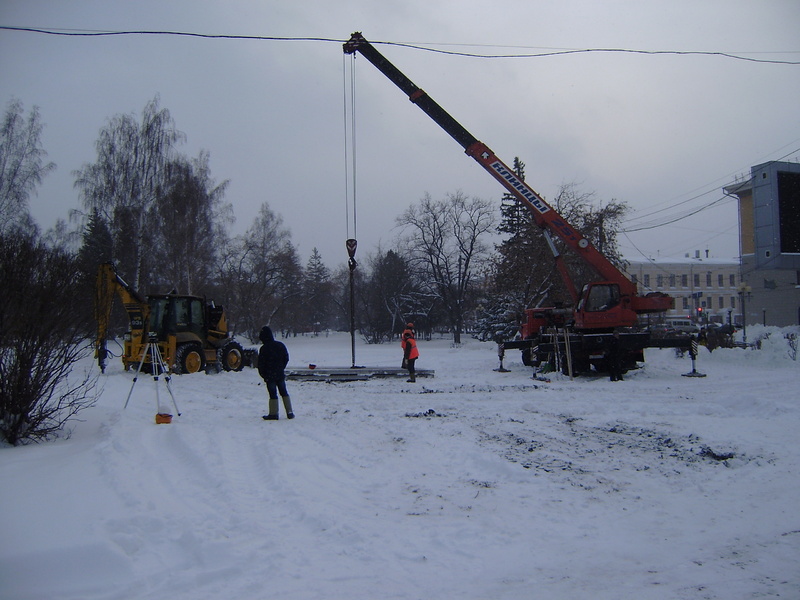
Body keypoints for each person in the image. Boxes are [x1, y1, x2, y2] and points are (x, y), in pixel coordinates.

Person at [258, 325, 294, 419]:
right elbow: (286, 358)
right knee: (284, 392)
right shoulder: (280, 345)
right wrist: (281, 368)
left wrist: (263, 374)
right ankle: (289, 412)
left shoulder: (264, 348)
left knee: (272, 394)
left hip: (269, 375)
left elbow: (261, 364)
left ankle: (273, 414)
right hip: (279, 373)